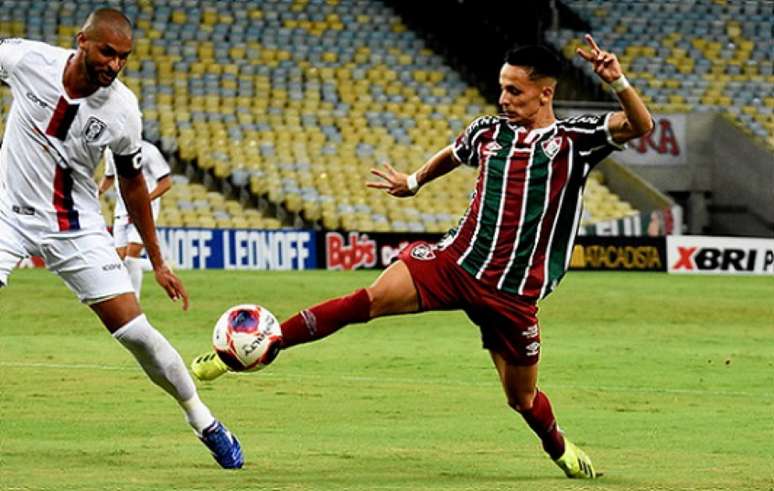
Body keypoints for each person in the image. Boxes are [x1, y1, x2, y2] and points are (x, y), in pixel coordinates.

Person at [193, 35, 654, 478]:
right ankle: (256, 348)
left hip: (513, 295)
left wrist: (617, 81)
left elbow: (640, 125)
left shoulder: (575, 140)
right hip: (455, 261)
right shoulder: (488, 132)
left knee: (522, 399)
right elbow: (453, 154)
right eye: (501, 87)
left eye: (515, 90)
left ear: (545, 94)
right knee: (366, 300)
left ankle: (560, 448)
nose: (503, 98)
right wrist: (413, 181)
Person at [0, 8, 243, 469]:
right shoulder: (26, 60)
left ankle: (205, 421)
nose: (114, 64)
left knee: (137, 334)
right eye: (107, 52)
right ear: (82, 42)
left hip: (75, 226)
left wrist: (159, 261)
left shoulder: (123, 110)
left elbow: (133, 185)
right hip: (5, 214)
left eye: (124, 58)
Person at [99, 139, 172, 300]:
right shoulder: (110, 151)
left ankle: (135, 302)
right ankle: (162, 265)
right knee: (121, 260)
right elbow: (109, 176)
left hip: (144, 211)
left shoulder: (149, 150)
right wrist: (97, 192)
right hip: (121, 211)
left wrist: (144, 201)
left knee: (131, 257)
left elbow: (166, 182)